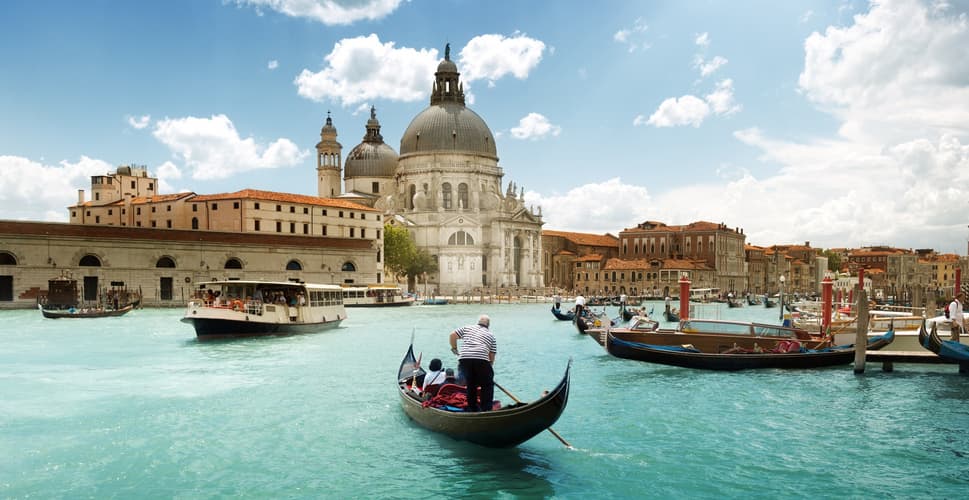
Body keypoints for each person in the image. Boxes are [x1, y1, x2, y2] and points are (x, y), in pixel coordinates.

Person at [449, 314, 497, 412]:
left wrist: (454, 348)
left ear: (478, 322)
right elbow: (491, 355)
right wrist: (488, 370)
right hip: (481, 360)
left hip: (464, 359)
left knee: (471, 384)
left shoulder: (467, 328)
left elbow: (452, 335)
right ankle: (486, 409)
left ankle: (472, 408)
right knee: (487, 385)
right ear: (488, 325)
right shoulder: (491, 335)